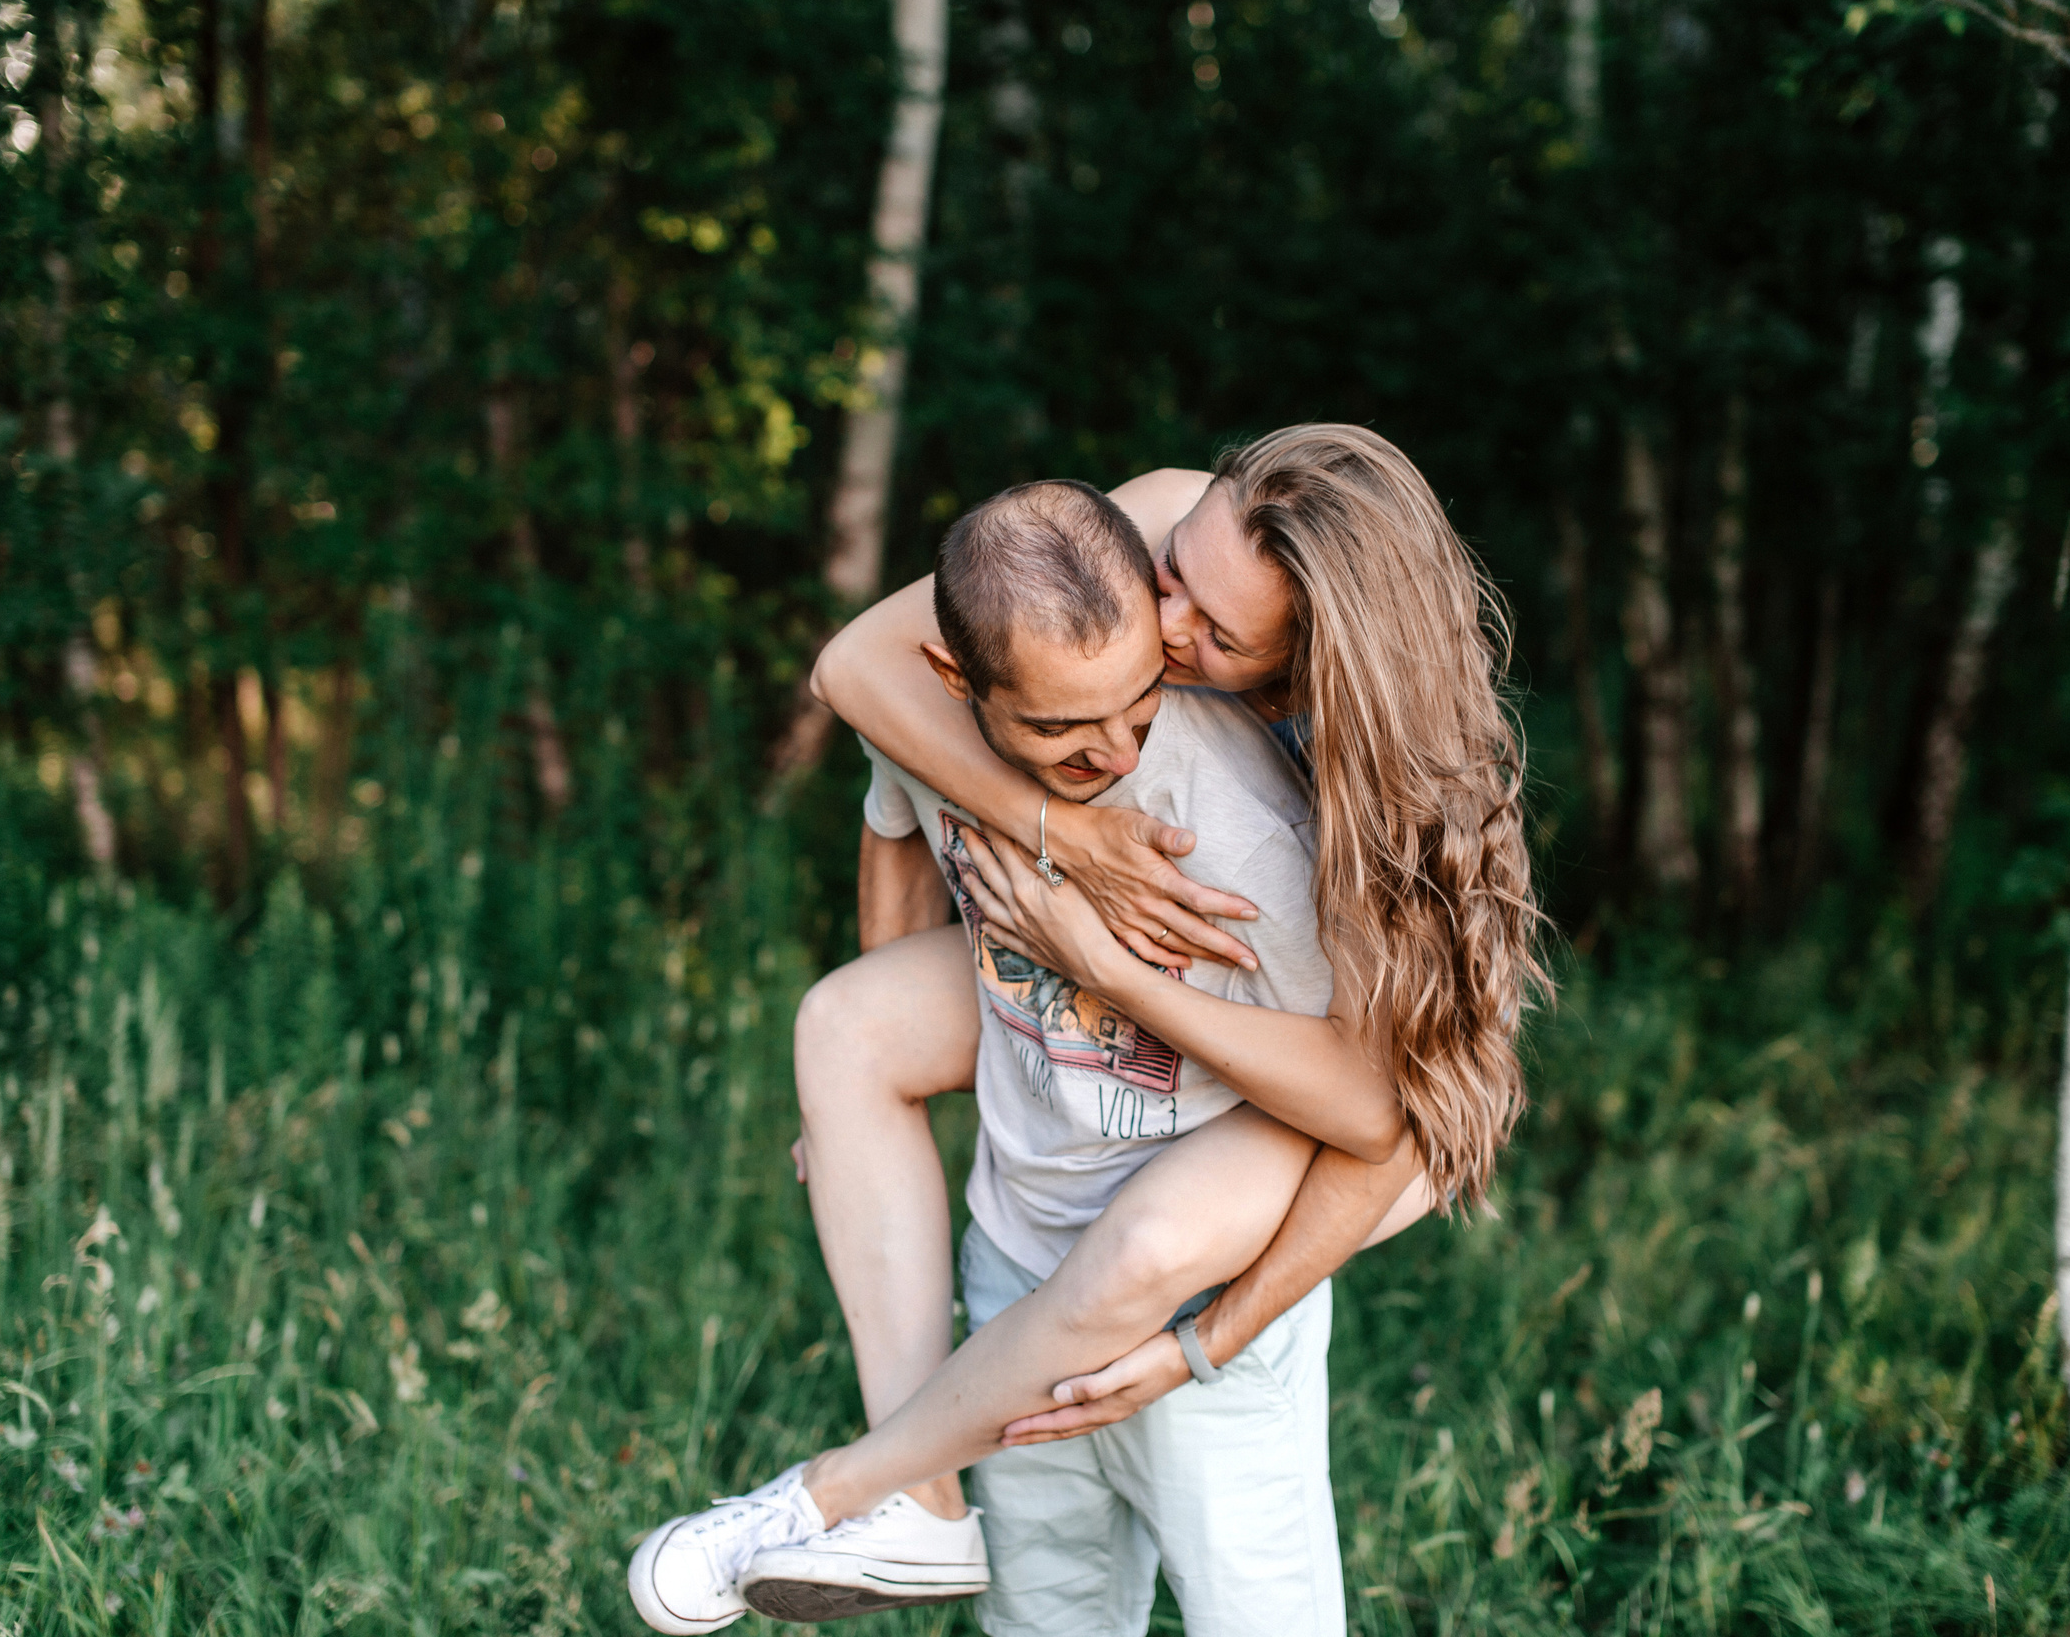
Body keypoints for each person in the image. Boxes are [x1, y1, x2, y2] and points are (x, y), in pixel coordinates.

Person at [628, 427, 1545, 1634]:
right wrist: (1059, 836)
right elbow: (868, 688)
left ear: (1310, 667)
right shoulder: (1140, 556)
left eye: (1211, 636)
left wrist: (1211, 1336)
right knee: (844, 1030)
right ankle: (921, 1501)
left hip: (1243, 1180)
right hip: (1037, 1212)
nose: (1165, 628)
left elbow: (1396, 1121)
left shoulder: (1329, 818)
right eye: (1175, 579)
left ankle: (845, 1489)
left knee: (1159, 1259)